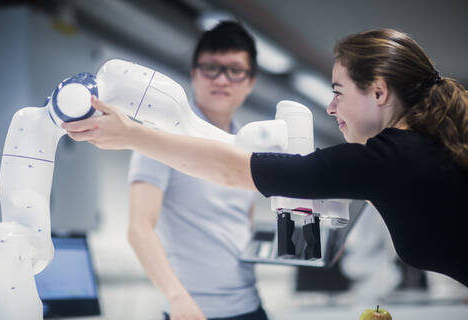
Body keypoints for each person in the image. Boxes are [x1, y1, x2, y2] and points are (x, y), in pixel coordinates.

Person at [63, 28, 468, 287]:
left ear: (378, 93)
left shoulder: (388, 159)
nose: (330, 107)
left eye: (339, 91)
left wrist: (132, 135)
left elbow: (230, 168)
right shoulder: (422, 150)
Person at [127, 21, 268, 320]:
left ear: (250, 81)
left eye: (235, 70)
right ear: (193, 74)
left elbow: (244, 221)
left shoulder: (250, 143)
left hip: (250, 307)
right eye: (211, 68)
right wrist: (176, 298)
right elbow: (139, 227)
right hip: (191, 311)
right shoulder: (161, 136)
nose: (222, 79)